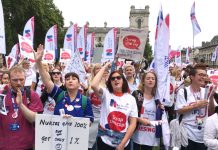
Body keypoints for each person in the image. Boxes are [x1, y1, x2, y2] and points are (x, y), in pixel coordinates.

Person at [35, 44, 94, 122]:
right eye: (67, 79)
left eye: (74, 79)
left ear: (79, 83)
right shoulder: (59, 94)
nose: (70, 80)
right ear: (64, 83)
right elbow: (47, 80)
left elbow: (89, 121)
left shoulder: (85, 100)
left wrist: (72, 121)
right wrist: (39, 62)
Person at [91, 62, 138, 150]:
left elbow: (133, 123)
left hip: (123, 141)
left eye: (118, 77)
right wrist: (104, 66)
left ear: (123, 80)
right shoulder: (106, 94)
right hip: (105, 140)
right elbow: (93, 85)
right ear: (110, 82)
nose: (115, 80)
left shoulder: (131, 99)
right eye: (112, 79)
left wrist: (122, 144)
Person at [0, 65, 43, 150]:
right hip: (4, 145)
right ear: (8, 80)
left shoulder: (32, 95)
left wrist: (21, 105)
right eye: (15, 80)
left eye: (21, 79)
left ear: (25, 79)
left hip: (26, 146)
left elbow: (34, 119)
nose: (19, 83)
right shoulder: (1, 95)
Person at [175, 63, 216, 150]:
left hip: (203, 134)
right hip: (187, 133)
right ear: (192, 77)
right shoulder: (183, 92)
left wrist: (211, 97)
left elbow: (212, 111)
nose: (203, 77)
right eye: (200, 75)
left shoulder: (207, 91)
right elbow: (179, 110)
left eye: (205, 75)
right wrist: (196, 105)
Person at [132, 71, 164, 150]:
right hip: (137, 133)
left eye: (153, 79)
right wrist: (139, 120)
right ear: (143, 81)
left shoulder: (158, 98)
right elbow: (129, 113)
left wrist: (161, 109)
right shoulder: (137, 94)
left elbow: (161, 118)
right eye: (148, 78)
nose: (150, 80)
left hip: (151, 134)